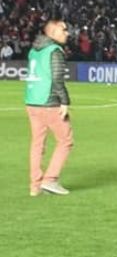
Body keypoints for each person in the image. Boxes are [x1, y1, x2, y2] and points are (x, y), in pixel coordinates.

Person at [25, 20, 74, 196]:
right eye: (63, 30)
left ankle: (35, 186)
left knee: (38, 144)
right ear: (52, 32)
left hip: (32, 101)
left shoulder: (33, 50)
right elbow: (57, 78)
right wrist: (65, 102)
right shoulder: (54, 51)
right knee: (65, 141)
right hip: (49, 102)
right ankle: (50, 180)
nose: (67, 33)